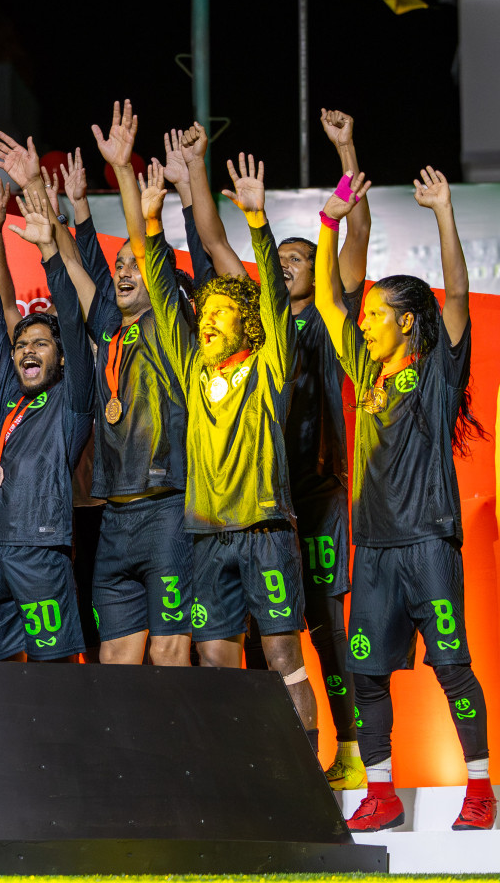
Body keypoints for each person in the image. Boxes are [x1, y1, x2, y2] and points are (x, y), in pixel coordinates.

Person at [174, 111, 370, 787]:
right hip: (249, 500)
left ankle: (345, 752)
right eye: (278, 261)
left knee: (321, 630)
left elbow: (354, 236)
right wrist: (196, 167)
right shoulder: (248, 331)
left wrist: (344, 156)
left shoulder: (327, 312)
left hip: (313, 495)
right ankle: (252, 774)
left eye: (297, 261)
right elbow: (210, 235)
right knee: (245, 640)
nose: (285, 267)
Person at [317, 166, 494, 832]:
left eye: (375, 318)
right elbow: (332, 305)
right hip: (376, 551)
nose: (363, 326)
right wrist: (331, 221)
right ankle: (382, 793)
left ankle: (479, 789)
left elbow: (455, 301)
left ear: (407, 324)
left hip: (428, 544)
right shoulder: (365, 373)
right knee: (366, 678)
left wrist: (445, 213)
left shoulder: (437, 376)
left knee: (452, 667)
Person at [137, 152, 318, 743]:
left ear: (248, 325)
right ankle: (243, 776)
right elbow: (165, 296)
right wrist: (147, 225)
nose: (207, 322)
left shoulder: (269, 367)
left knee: (281, 652)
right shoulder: (193, 368)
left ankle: (310, 782)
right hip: (205, 534)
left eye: (219, 314)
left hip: (263, 528)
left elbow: (272, 301)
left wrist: (259, 222)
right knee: (215, 658)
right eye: (204, 314)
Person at [62, 102, 196, 669]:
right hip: (114, 518)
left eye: (132, 266)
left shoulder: (171, 332)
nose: (122, 271)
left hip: (169, 513)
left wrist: (122, 175)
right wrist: (63, 221)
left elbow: (151, 255)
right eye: (119, 265)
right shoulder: (112, 335)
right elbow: (73, 269)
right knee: (115, 662)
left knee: (169, 658)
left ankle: (179, 760)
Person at [0, 184, 93, 662]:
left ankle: (62, 738)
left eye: (40, 344)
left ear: (61, 357)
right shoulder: (10, 393)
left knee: (52, 667)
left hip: (39, 548)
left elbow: (79, 333)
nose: (26, 351)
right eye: (23, 347)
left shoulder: (73, 399)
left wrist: (48, 253)